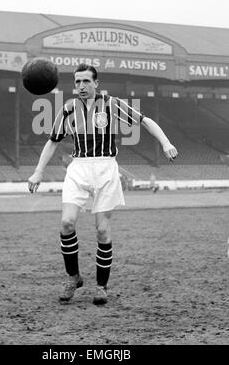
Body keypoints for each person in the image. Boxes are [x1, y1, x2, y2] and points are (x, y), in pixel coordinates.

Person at [28, 64, 178, 305]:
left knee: (102, 230)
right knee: (66, 223)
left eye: (86, 81)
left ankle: (101, 286)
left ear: (96, 83)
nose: (81, 86)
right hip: (78, 168)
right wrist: (38, 172)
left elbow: (145, 120)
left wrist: (166, 142)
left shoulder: (111, 104)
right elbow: (53, 141)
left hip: (106, 168)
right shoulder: (68, 109)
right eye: (77, 82)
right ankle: (73, 277)